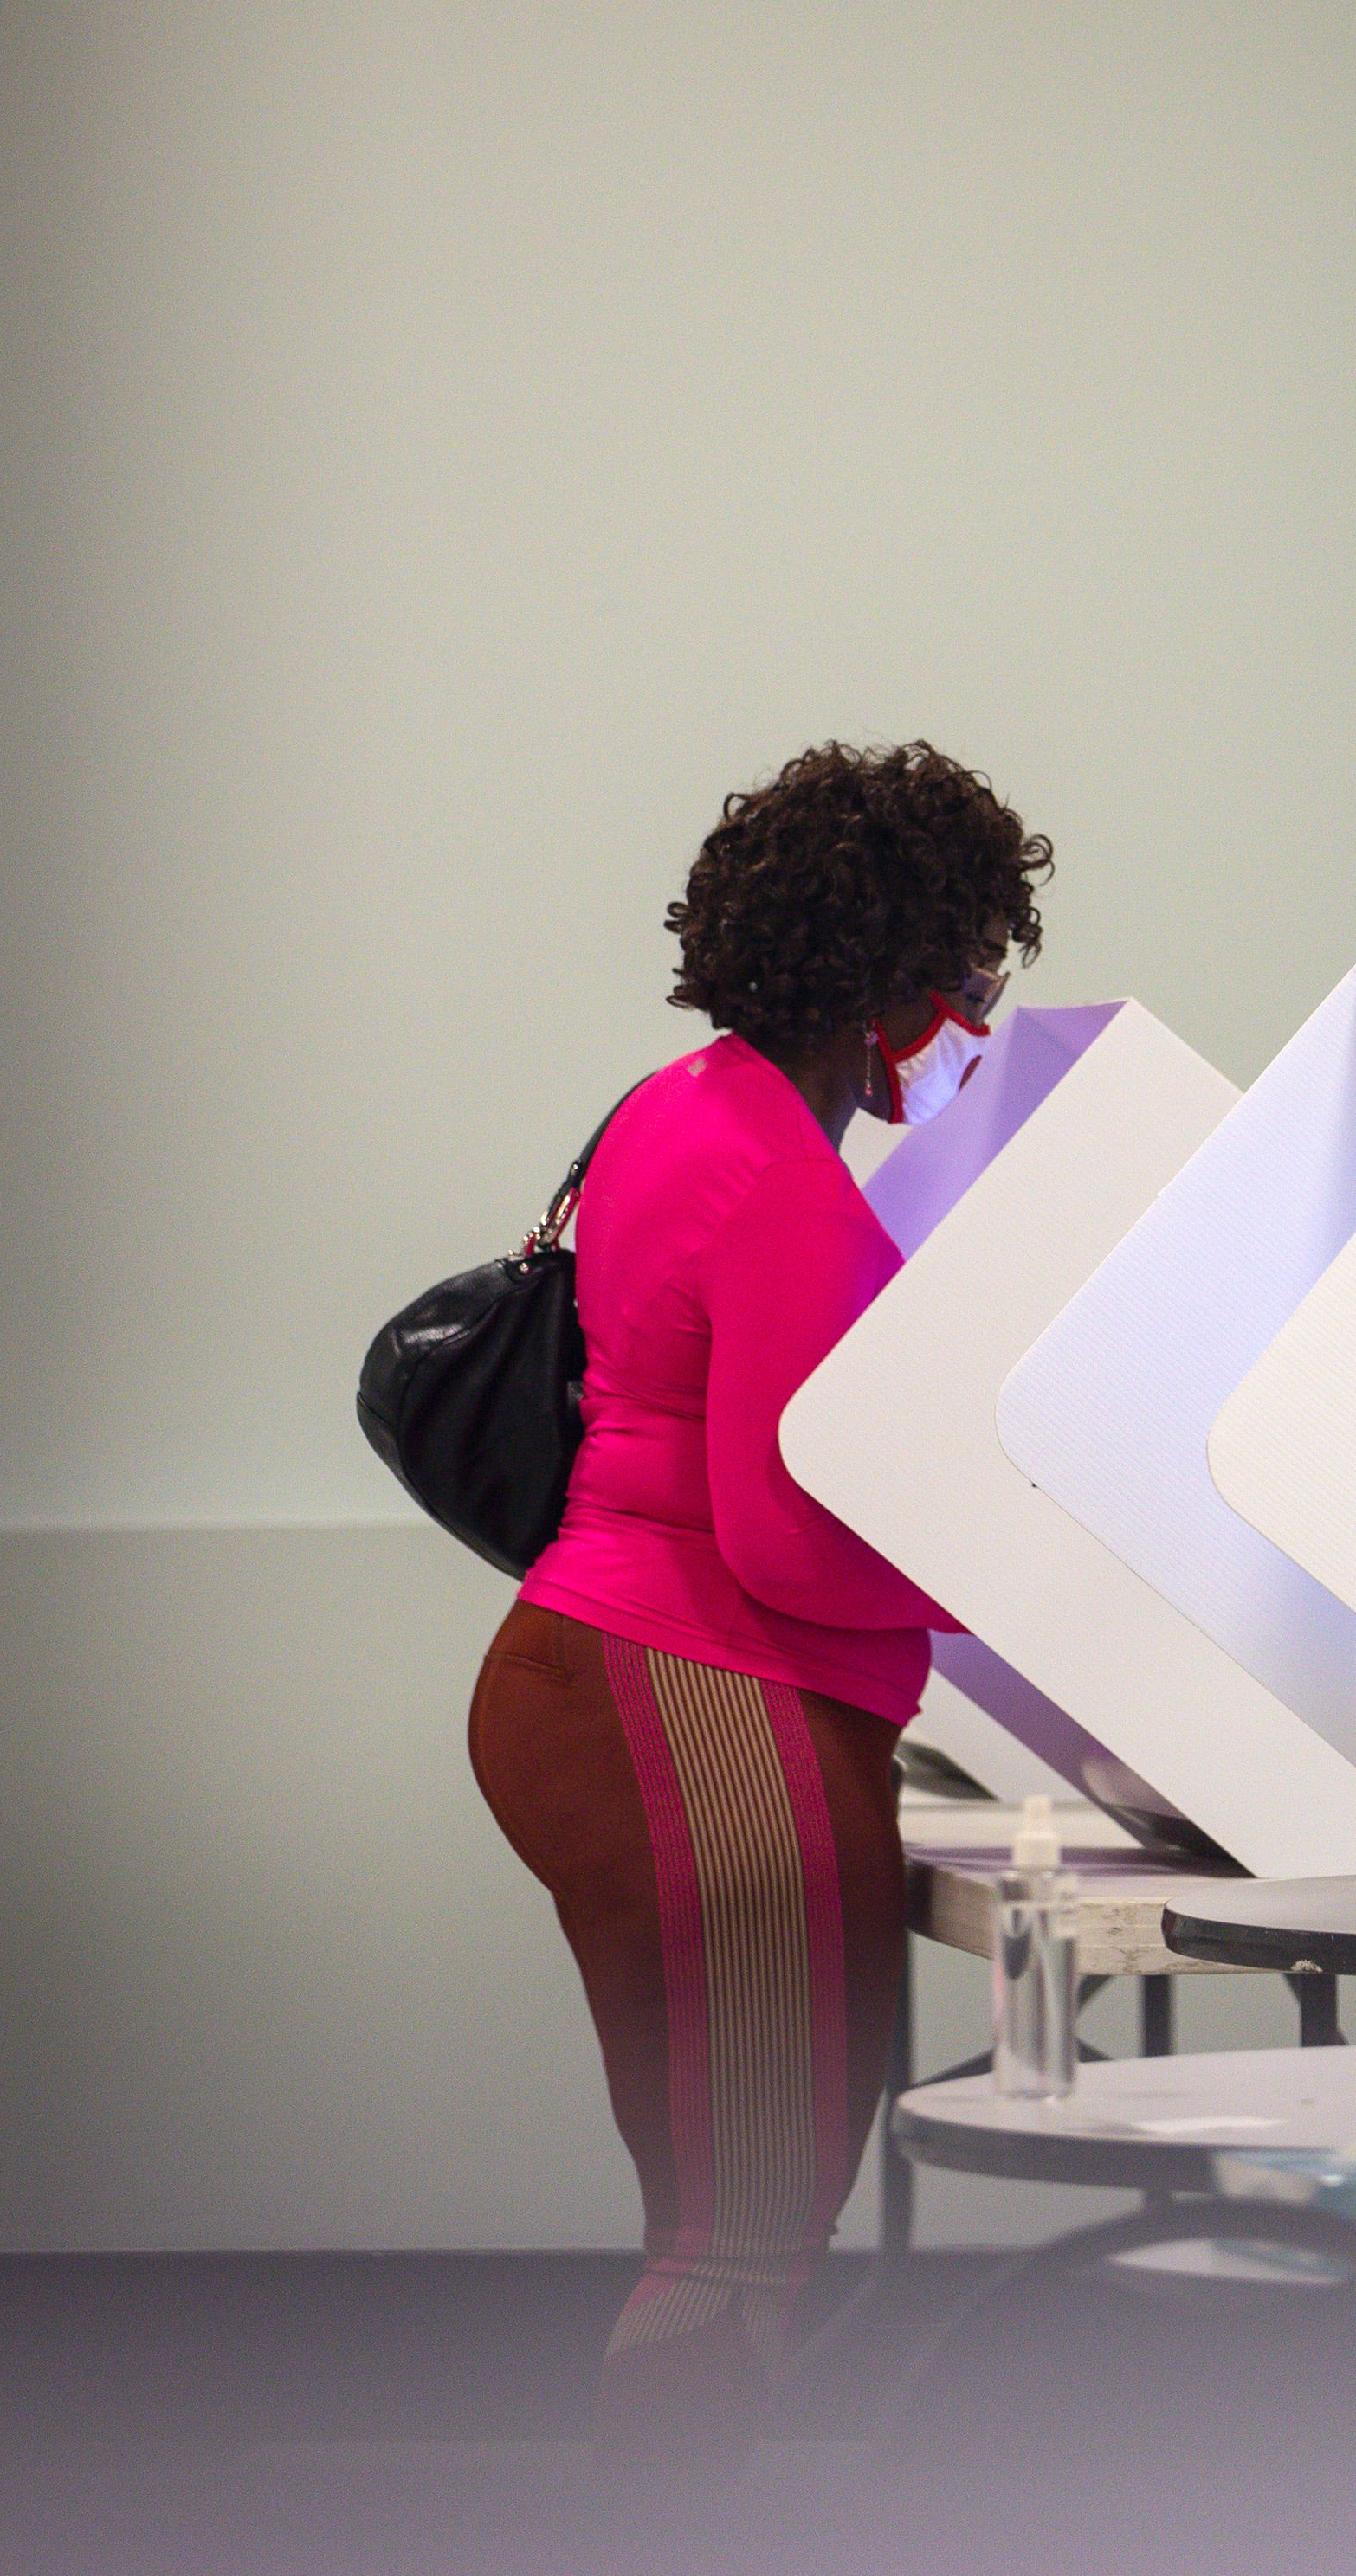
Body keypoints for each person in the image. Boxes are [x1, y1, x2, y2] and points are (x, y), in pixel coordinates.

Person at [465, 737, 1050, 2466]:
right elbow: (789, 1537)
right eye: (960, 975)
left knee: (706, 2219)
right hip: (698, 1698)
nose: (972, 1016)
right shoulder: (783, 1180)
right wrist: (1015, 1559)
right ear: (883, 973)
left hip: (589, 1670)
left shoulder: (677, 1106)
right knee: (739, 2246)